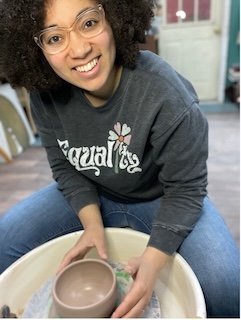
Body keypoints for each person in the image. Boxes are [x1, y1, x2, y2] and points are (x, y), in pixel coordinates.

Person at [0, 0, 239, 318]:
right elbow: (64, 167)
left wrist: (153, 261)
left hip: (164, 197)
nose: (79, 50)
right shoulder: (45, 95)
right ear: (36, 47)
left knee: (226, 285)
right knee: (7, 240)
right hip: (95, 192)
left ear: (113, 17)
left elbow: (186, 190)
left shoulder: (165, 94)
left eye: (88, 23)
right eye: (55, 37)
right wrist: (91, 222)